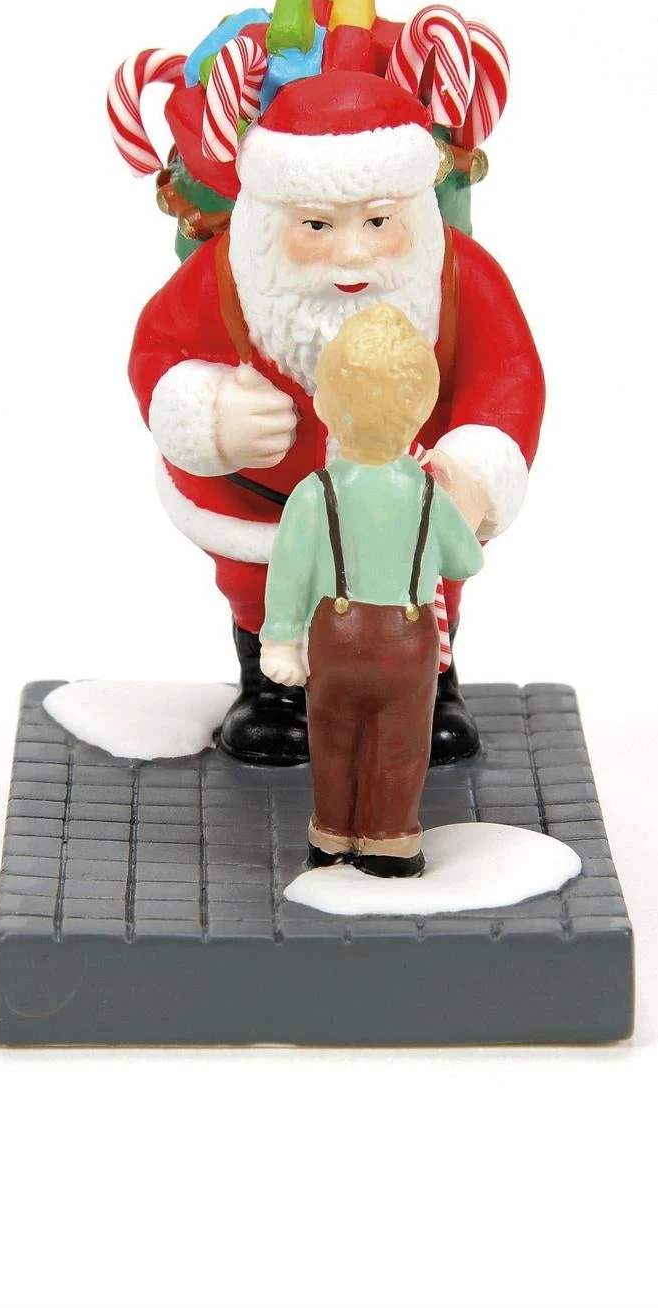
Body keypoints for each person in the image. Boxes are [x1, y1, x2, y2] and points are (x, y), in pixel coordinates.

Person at [128, 51, 544, 768]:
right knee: (265, 585)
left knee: (421, 584)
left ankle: (430, 686)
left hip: (411, 491)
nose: (351, 253)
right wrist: (210, 416)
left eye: (379, 222)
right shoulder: (229, 273)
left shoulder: (457, 276)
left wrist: (477, 469)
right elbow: (159, 349)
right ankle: (273, 690)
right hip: (265, 500)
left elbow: (508, 373)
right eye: (317, 227)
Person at [258, 306, 486, 877]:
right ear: (421, 411)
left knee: (333, 737)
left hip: (338, 636)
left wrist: (281, 640)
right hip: (407, 641)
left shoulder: (316, 492)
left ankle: (332, 834)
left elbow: (288, 571)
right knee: (400, 746)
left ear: (326, 407)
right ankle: (390, 842)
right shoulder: (428, 492)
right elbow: (467, 559)